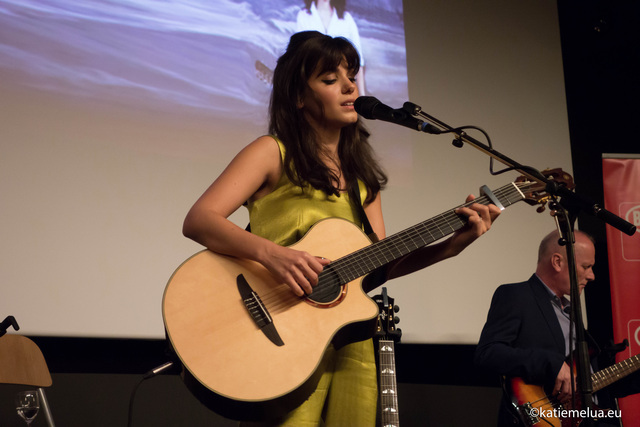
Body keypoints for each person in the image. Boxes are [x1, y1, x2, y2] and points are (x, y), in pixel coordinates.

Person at [183, 31, 500, 426]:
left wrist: (452, 246)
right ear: (299, 97)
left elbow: (380, 266)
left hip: (350, 340)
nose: (350, 86)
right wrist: (274, 255)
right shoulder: (272, 152)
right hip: (284, 332)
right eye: (330, 79)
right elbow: (200, 219)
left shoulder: (363, 180)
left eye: (351, 75)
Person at [474, 229, 639, 426]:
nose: (592, 276)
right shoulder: (517, 296)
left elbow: (599, 383)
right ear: (557, 262)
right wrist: (551, 364)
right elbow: (488, 354)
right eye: (586, 266)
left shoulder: (571, 312)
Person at [296, 0, 366, 95]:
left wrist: (362, 95)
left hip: (341, 82)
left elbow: (359, 60)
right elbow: (299, 55)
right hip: (314, 82)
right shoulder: (303, 16)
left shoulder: (346, 18)